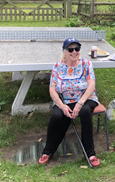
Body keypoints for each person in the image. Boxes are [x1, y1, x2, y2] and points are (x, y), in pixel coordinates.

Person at [38, 37, 101, 167]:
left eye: (77, 49)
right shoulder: (57, 66)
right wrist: (62, 106)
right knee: (57, 116)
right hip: (65, 99)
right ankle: (48, 151)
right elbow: (52, 89)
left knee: (84, 112)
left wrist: (80, 103)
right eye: (70, 49)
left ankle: (90, 153)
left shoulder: (86, 64)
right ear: (65, 51)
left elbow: (91, 85)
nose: (74, 52)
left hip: (86, 99)